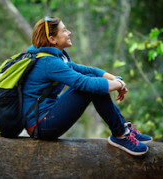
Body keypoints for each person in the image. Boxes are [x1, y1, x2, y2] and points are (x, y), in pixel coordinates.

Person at [22, 16, 152, 156]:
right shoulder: (48, 62)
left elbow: (88, 70)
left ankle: (122, 129)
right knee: (90, 86)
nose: (69, 32)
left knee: (92, 80)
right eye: (64, 30)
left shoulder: (53, 57)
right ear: (53, 39)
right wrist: (118, 85)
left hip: (46, 118)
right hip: (41, 126)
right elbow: (84, 83)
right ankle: (120, 134)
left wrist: (115, 79)